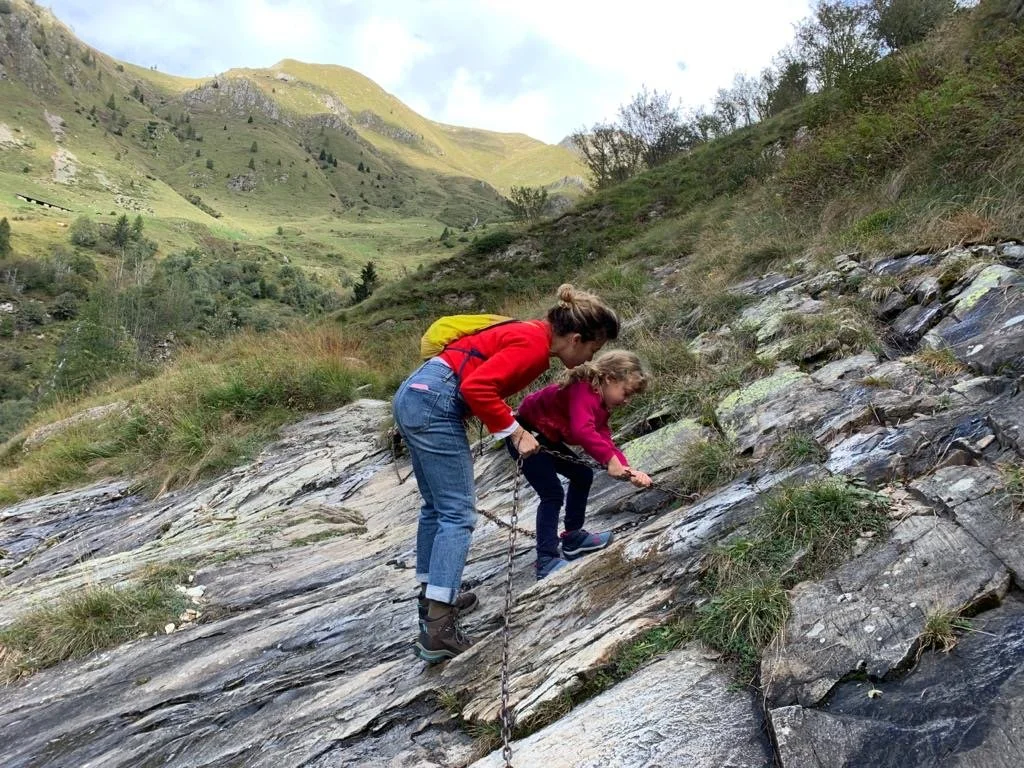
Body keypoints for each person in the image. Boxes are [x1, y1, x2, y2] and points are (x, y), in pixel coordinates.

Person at [393, 283, 620, 663]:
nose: (587, 359)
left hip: (414, 395)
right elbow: (477, 386)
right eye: (592, 350)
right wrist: (515, 432)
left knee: (435, 507)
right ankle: (438, 628)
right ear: (576, 338)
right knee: (457, 513)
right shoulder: (533, 346)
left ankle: (432, 596)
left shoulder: (527, 332)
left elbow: (478, 381)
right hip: (434, 403)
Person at [509, 350, 653, 580]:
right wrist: (610, 461)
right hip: (523, 435)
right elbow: (582, 430)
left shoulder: (601, 404)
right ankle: (545, 559)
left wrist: (626, 469)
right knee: (552, 493)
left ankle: (573, 538)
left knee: (582, 474)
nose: (627, 401)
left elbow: (602, 435)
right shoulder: (583, 390)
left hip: (545, 438)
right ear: (610, 379)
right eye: (626, 393)